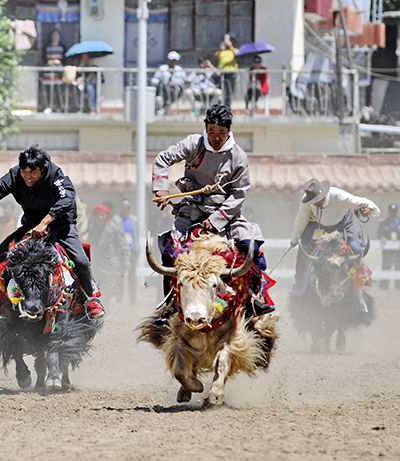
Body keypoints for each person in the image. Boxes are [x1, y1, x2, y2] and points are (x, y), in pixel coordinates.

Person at [152, 104, 272, 324]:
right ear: (206, 130)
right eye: (212, 132)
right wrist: (161, 188)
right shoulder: (193, 144)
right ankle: (169, 304)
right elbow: (163, 159)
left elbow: (239, 193)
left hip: (227, 217)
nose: (216, 138)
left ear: (229, 132)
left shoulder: (238, 156)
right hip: (189, 213)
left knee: (250, 247)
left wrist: (216, 219)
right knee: (170, 252)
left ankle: (254, 299)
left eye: (221, 133)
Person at [0, 144, 105, 319]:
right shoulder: (14, 176)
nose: (27, 176)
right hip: (30, 227)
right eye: (24, 172)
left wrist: (46, 221)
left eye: (32, 172)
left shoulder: (55, 175)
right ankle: (2, 301)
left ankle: (90, 300)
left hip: (61, 227)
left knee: (81, 261)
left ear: (42, 169)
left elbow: (67, 197)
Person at [290, 179, 379, 308]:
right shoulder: (307, 200)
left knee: (357, 250)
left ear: (324, 195)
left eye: (317, 201)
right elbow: (301, 221)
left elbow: (358, 201)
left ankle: (360, 290)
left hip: (343, 225)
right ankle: (300, 288)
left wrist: (368, 209)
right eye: (312, 202)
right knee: (302, 250)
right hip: (317, 227)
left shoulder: (338, 195)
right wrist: (294, 240)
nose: (315, 204)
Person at [87, 205, 131, 305]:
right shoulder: (92, 228)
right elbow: (89, 245)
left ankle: (107, 304)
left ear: (106, 216)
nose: (100, 218)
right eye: (98, 215)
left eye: (102, 215)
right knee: (99, 286)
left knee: (110, 287)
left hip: (111, 264)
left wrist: (127, 261)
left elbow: (124, 245)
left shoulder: (114, 229)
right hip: (97, 263)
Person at [112, 198, 138, 305]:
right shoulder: (116, 219)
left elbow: (136, 234)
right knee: (120, 276)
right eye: (123, 207)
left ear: (130, 208)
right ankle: (119, 299)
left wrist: (137, 249)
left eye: (127, 207)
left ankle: (133, 299)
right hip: (120, 252)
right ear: (120, 208)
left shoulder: (134, 219)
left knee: (133, 277)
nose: (125, 209)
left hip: (132, 251)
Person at [42, 29, 68, 112]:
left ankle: (59, 107)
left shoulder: (62, 47)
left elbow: (65, 59)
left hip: (59, 70)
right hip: (49, 70)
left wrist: (59, 62)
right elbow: (43, 57)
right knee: (49, 89)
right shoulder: (47, 46)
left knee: (58, 89)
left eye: (57, 35)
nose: (55, 37)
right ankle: (49, 106)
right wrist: (49, 61)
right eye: (54, 35)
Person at [379, 203, 400, 290]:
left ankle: (398, 287)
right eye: (391, 211)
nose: (393, 213)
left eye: (394, 211)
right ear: (388, 212)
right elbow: (379, 232)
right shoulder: (384, 222)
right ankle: (384, 286)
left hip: (398, 251)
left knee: (398, 267)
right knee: (386, 266)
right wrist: (382, 238)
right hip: (387, 250)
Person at [216, 36, 239, 107]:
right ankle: (218, 105)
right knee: (219, 90)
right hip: (222, 72)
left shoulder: (235, 50)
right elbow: (216, 57)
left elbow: (237, 56)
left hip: (231, 73)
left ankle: (227, 107)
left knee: (229, 91)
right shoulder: (222, 51)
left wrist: (231, 47)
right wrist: (220, 49)